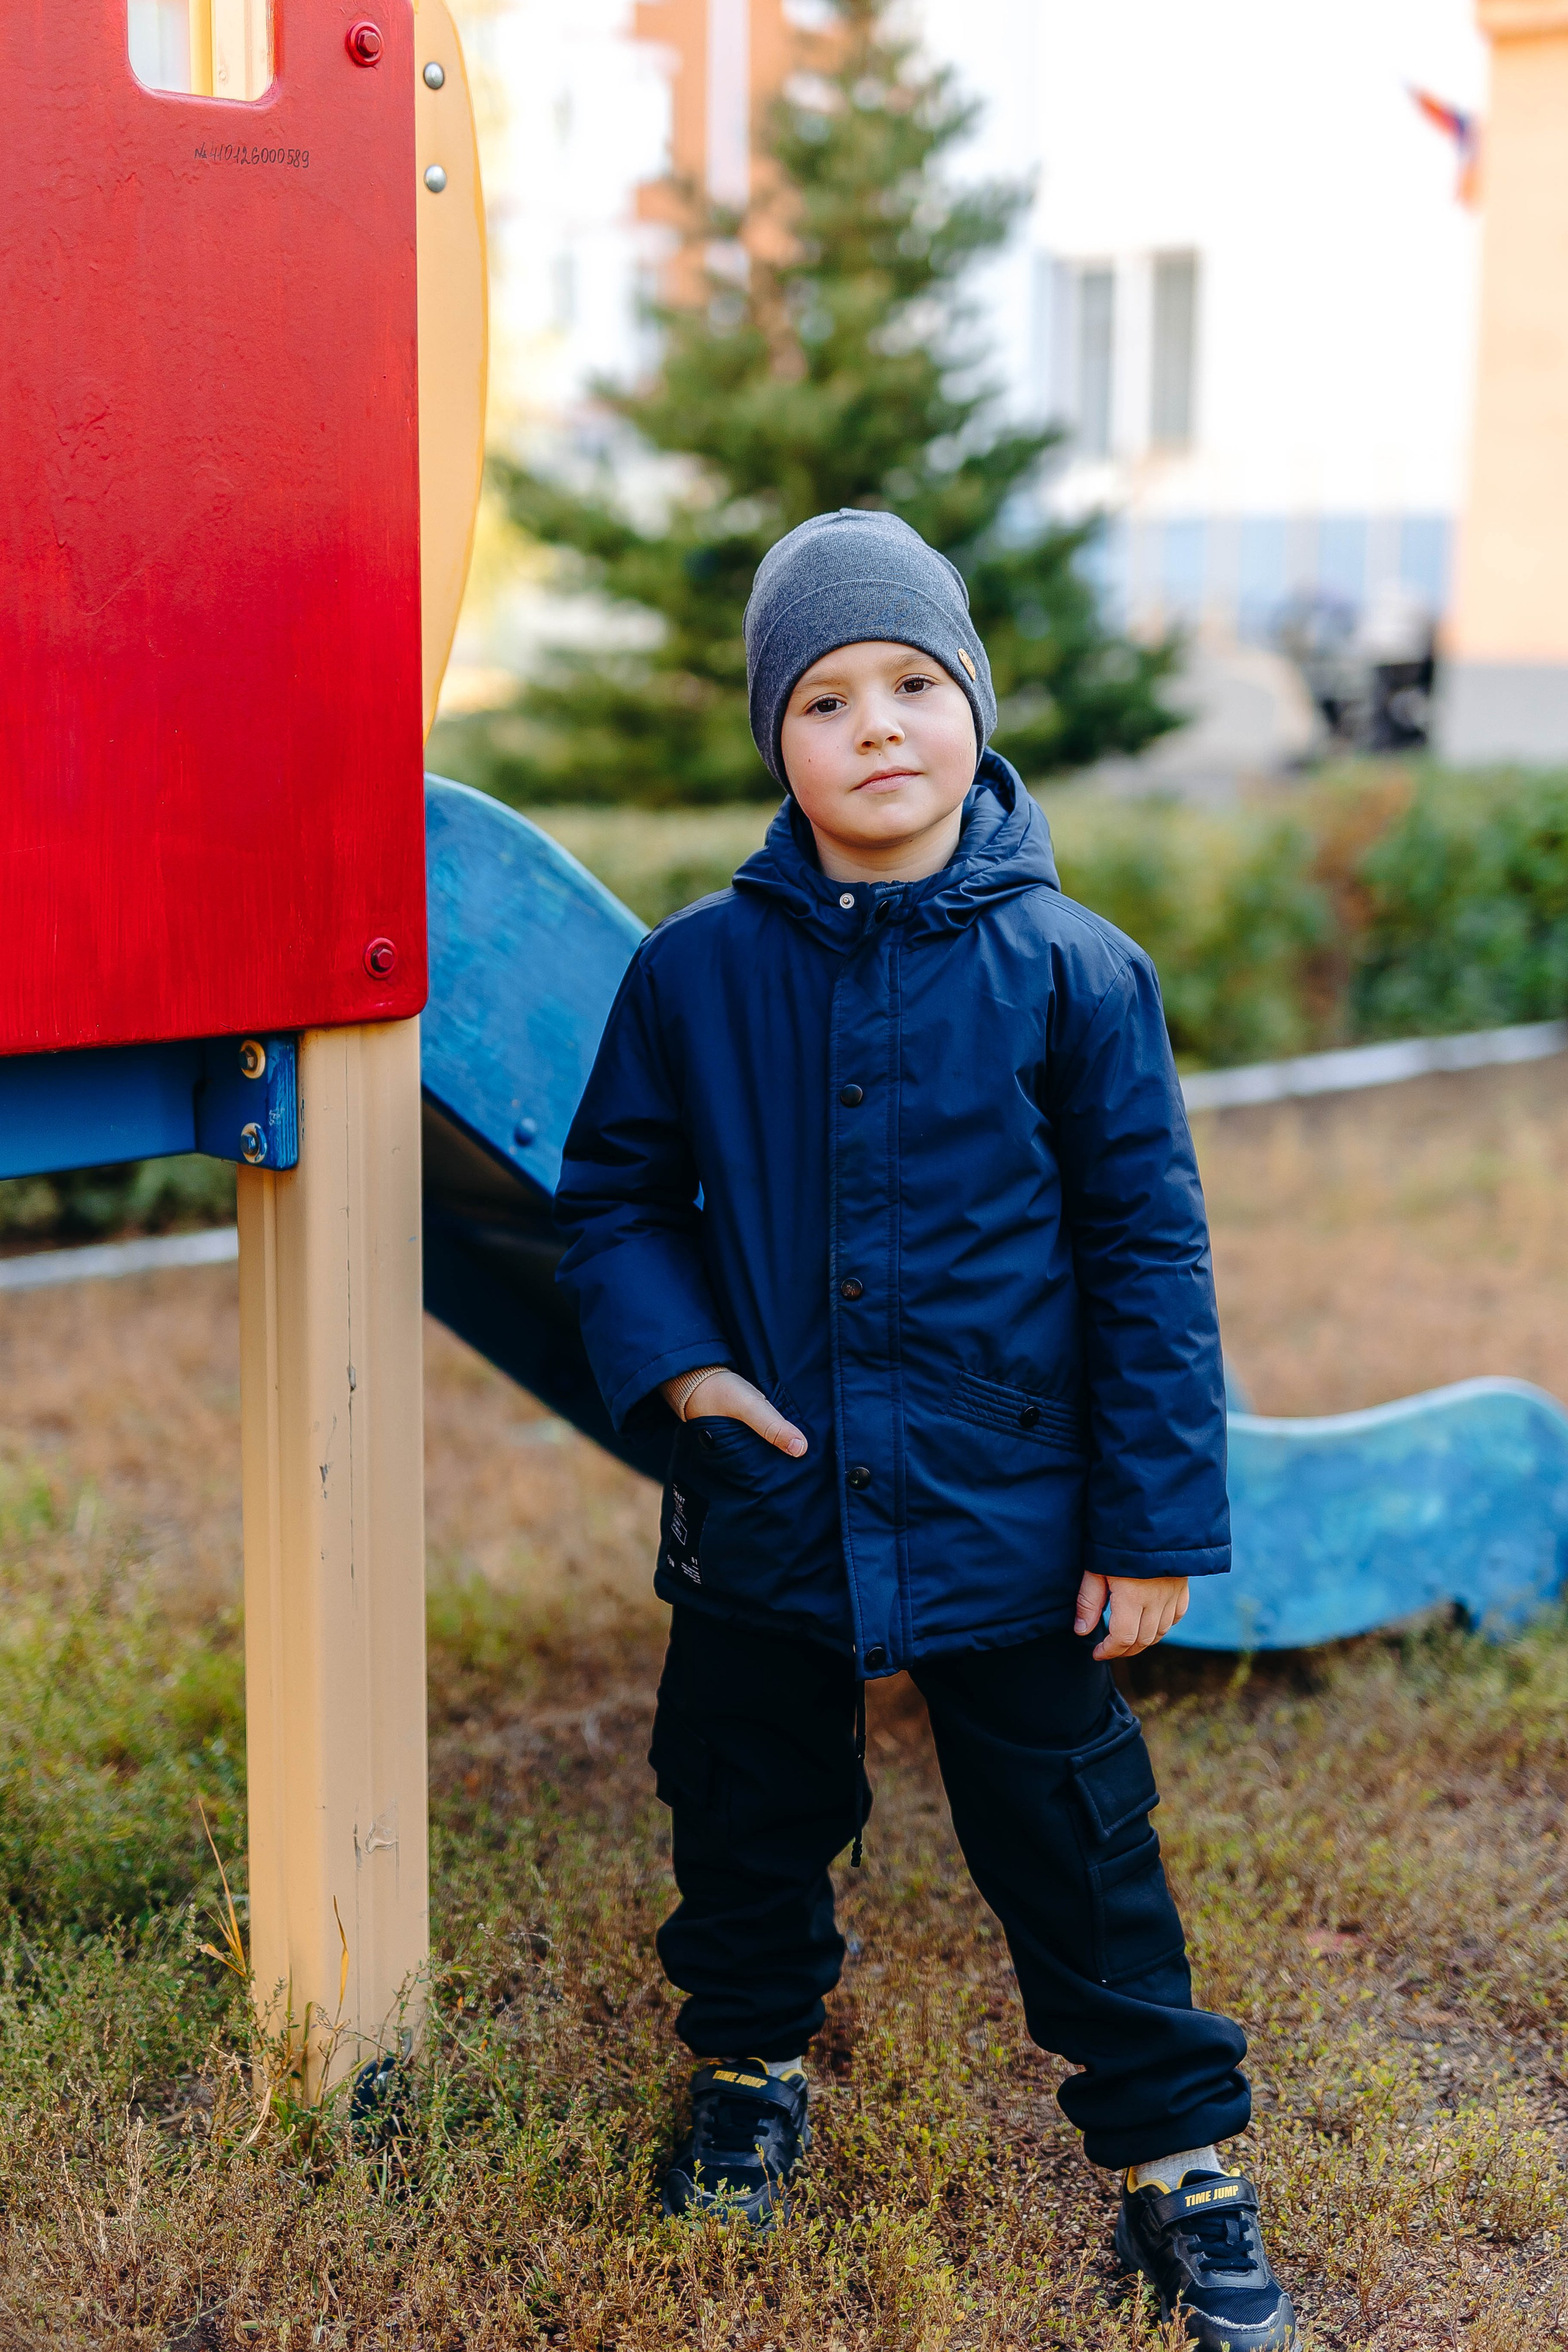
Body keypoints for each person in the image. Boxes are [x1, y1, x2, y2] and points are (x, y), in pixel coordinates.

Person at [554, 509, 1296, 2350]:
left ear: (973, 703)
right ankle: (746, 2069)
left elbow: (1149, 1260)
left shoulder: (1077, 972)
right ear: (774, 742)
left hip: (1010, 1510)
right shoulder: (695, 974)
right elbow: (615, 1197)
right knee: (740, 1805)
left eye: (913, 683)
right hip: (771, 1502)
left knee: (1075, 1834)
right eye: (824, 698)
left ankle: (1178, 2161)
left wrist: (1147, 1522)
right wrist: (686, 1377)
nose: (876, 725)